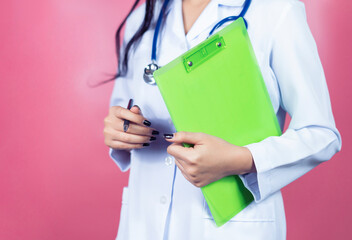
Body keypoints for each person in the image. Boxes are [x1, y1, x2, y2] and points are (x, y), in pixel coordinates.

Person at [103, 0, 342, 239]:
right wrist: (120, 131)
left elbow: (321, 134)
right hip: (142, 223)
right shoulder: (144, 17)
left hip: (232, 228)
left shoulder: (277, 11)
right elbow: (122, 110)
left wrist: (239, 160)